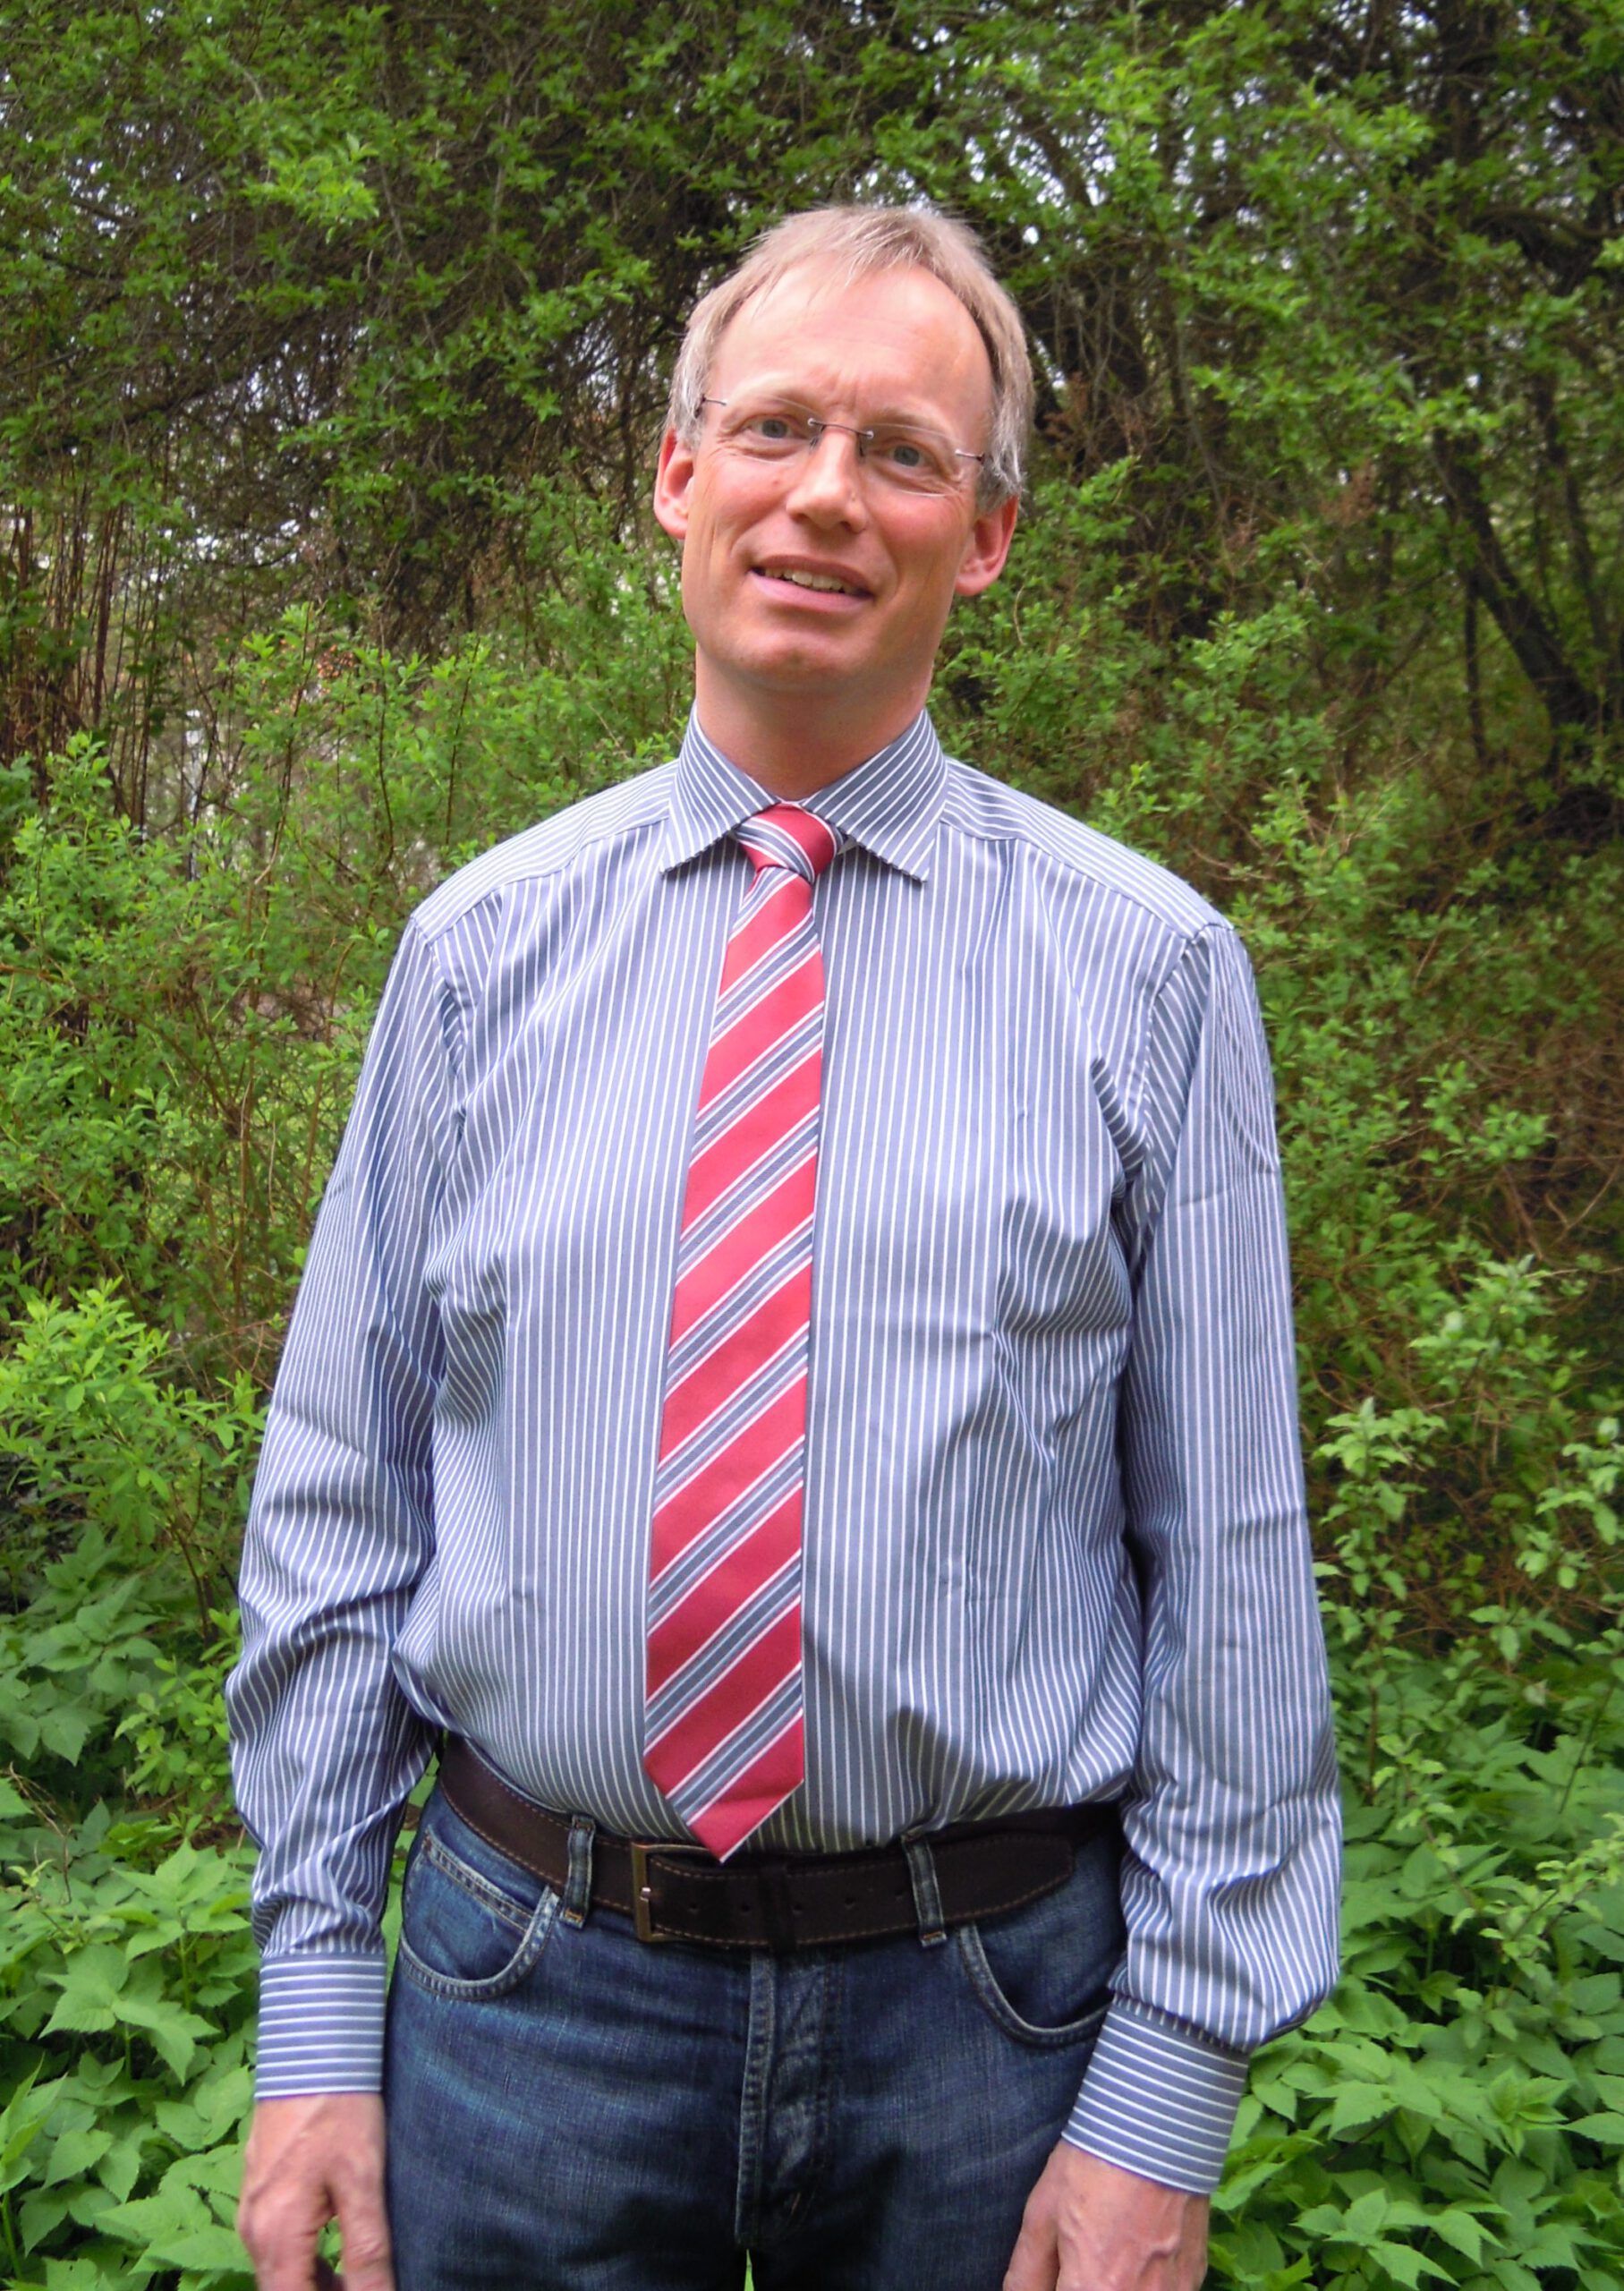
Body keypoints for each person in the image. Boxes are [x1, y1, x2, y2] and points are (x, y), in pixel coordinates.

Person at [226, 203, 1341, 2291]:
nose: (825, 492)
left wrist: (1168, 2086)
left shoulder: (1148, 974)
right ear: (676, 475)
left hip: (991, 2018)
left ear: (982, 534)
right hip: (525, 1989)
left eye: (900, 451)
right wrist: (309, 2000)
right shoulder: (474, 955)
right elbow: (341, 1486)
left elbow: (1231, 1557)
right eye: (773, 428)